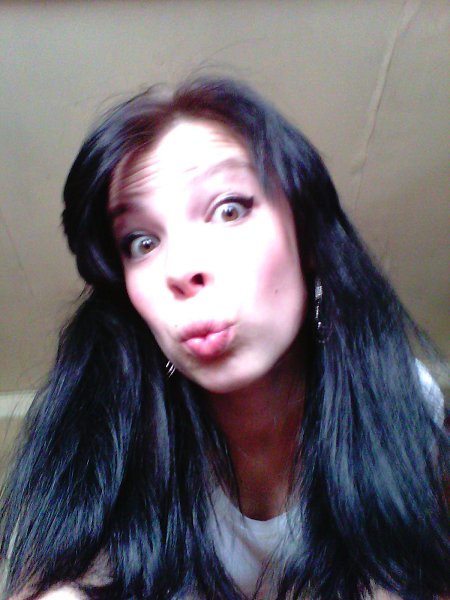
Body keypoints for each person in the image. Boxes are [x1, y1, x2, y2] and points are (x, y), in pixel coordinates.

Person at [0, 77, 448, 600]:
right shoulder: (109, 420)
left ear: (307, 236)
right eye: (141, 242)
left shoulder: (401, 398)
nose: (180, 269)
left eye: (229, 209)